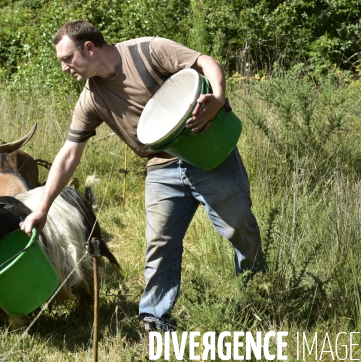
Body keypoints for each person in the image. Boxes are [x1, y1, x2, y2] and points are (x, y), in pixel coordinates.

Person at [20, 20, 266, 331]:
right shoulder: (91, 98)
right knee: (159, 243)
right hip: (160, 168)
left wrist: (217, 96)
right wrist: (41, 209)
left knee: (239, 228)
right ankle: (155, 319)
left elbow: (205, 61)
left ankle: (258, 297)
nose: (64, 68)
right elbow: (69, 154)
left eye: (67, 59)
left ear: (89, 48)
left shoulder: (147, 51)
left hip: (207, 151)